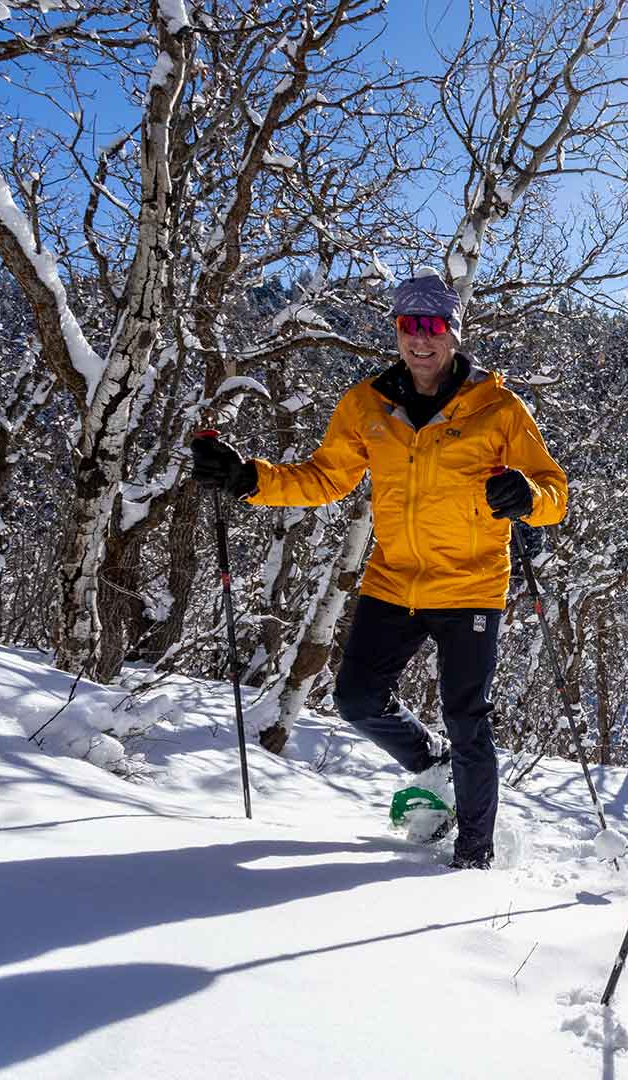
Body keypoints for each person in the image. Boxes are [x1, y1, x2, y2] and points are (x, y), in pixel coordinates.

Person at [192, 273, 569, 870]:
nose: (422, 339)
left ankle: (475, 857)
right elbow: (324, 478)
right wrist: (249, 479)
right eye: (409, 326)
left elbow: (553, 491)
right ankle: (430, 764)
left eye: (434, 326)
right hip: (393, 579)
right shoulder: (368, 404)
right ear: (396, 331)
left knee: (467, 718)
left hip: (470, 586)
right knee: (357, 698)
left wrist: (526, 495)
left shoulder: (497, 408)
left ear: (452, 333)